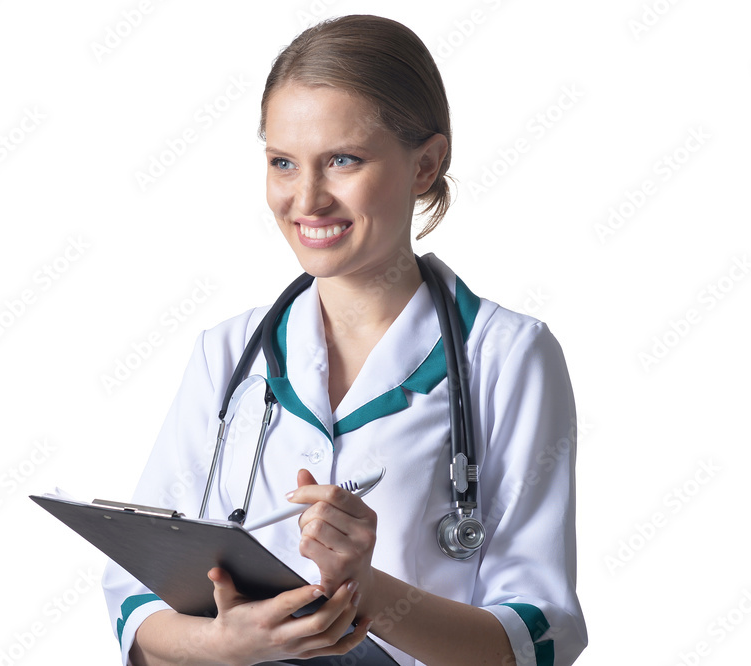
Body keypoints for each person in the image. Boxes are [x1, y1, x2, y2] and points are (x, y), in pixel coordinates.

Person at [103, 14, 587, 666]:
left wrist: (366, 590)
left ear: (427, 165)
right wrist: (222, 645)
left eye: (342, 161)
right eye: (282, 163)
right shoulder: (227, 353)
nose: (307, 199)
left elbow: (534, 637)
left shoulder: (505, 357)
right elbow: (137, 595)